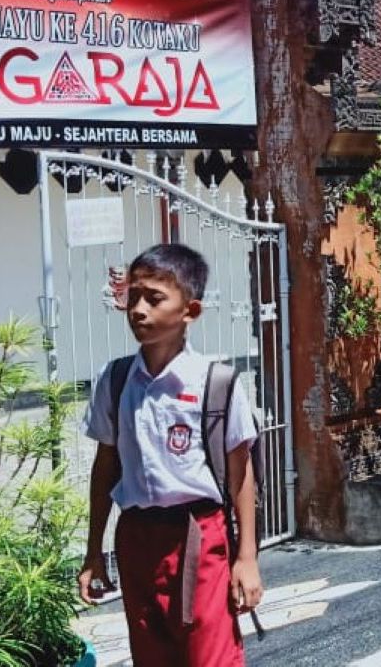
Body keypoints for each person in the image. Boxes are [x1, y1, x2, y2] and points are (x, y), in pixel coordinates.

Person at [77, 244, 263, 666]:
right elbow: (105, 468)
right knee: (151, 657)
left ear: (190, 312)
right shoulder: (117, 379)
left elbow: (240, 473)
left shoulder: (216, 383)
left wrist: (247, 558)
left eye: (154, 298)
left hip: (200, 537)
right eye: (133, 297)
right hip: (137, 538)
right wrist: (94, 553)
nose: (138, 310)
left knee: (210, 656)